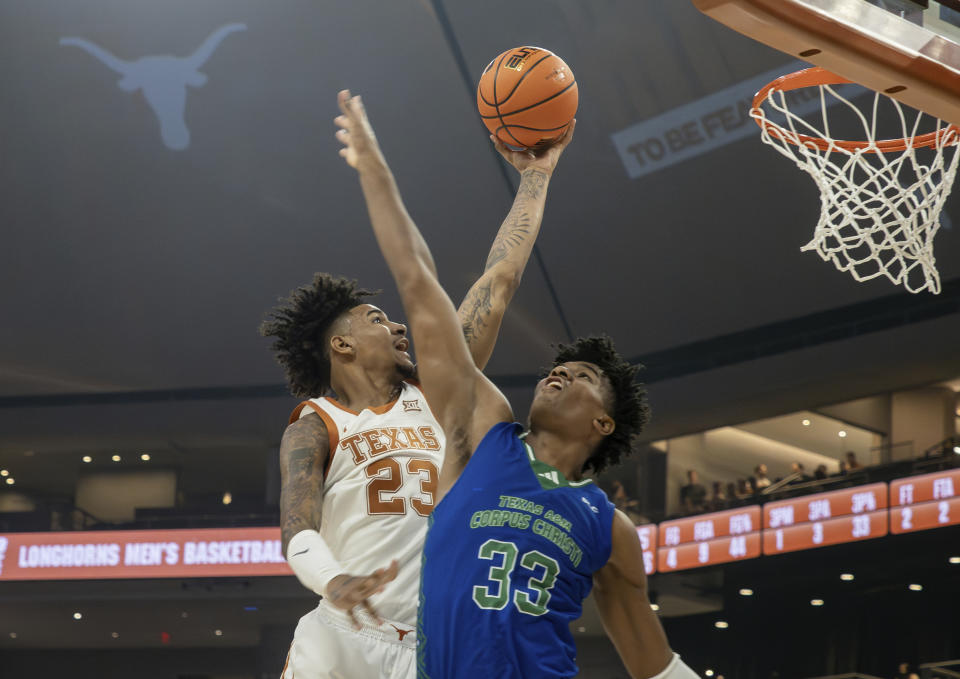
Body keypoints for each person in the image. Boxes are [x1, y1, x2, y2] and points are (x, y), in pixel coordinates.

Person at [335, 89, 697, 679]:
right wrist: (381, 177)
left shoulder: (606, 526)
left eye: (581, 377)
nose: (558, 372)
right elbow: (445, 283)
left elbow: (652, 660)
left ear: (602, 424)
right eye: (559, 368)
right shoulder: (480, 434)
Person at [263, 100, 576, 679]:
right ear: (342, 346)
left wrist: (536, 176)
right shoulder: (317, 422)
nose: (399, 324)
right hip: (343, 635)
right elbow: (296, 528)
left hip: (432, 650)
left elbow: (499, 280)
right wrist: (335, 581)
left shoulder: (441, 389)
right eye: (378, 319)